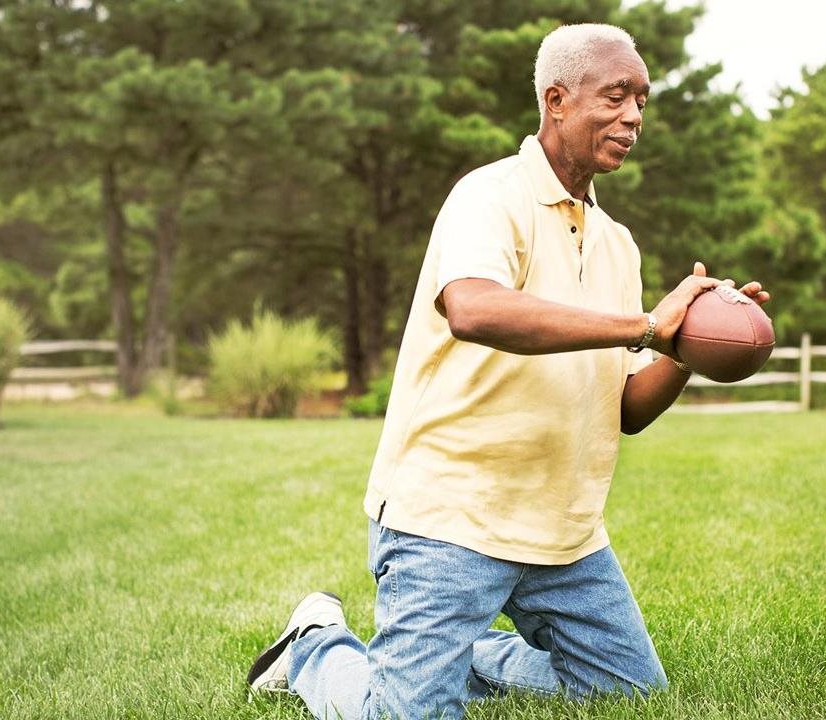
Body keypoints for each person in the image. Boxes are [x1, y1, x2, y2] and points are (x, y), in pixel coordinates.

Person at [244, 23, 768, 720]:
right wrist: (645, 326)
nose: (635, 116)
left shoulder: (617, 244)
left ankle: (447, 654)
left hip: (563, 533)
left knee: (629, 696)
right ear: (556, 100)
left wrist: (684, 347)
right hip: (452, 517)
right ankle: (316, 644)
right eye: (616, 96)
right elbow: (476, 309)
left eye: (642, 99)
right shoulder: (489, 197)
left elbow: (628, 409)